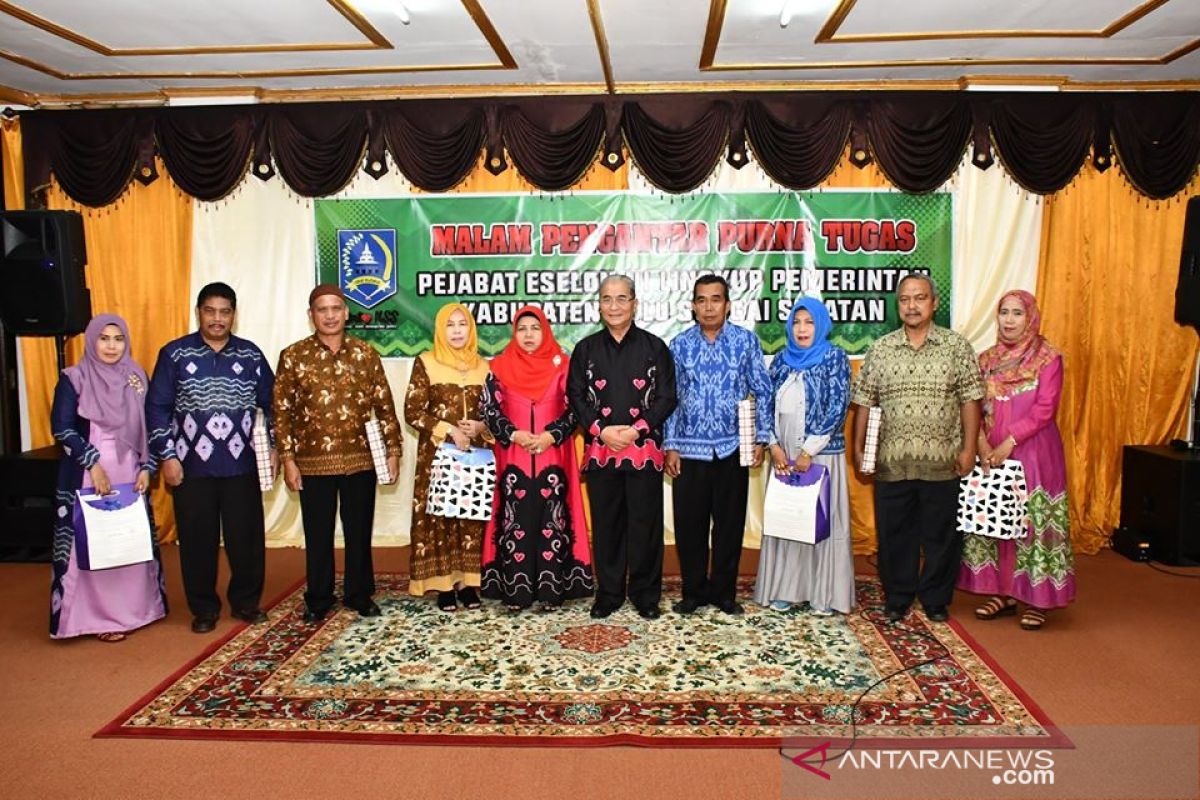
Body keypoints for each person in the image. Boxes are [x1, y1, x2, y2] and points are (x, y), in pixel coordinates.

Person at [851, 274, 984, 623]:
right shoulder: (881, 349)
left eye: (920, 298)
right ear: (898, 306)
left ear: (934, 303)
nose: (912, 305)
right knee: (895, 535)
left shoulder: (956, 347)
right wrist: (858, 446)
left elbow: (971, 400)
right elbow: (865, 401)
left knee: (942, 536)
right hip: (892, 461)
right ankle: (898, 597)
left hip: (943, 460)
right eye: (905, 299)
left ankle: (937, 598)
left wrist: (970, 448)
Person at [147, 282, 275, 634]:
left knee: (245, 539)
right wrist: (168, 457)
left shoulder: (250, 356)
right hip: (191, 468)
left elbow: (275, 405)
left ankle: (246, 603)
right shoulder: (174, 355)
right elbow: (157, 409)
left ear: (234, 314)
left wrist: (276, 448)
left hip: (242, 466)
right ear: (198, 312)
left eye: (225, 311)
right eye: (210, 311)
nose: (218, 319)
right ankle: (203, 608)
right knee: (197, 540)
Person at [273, 284, 401, 623]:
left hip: (360, 459)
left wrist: (394, 451)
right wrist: (287, 459)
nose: (329, 315)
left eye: (335, 309)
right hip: (312, 463)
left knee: (359, 530)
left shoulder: (365, 353)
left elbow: (385, 406)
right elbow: (281, 413)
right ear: (311, 315)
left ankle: (359, 593)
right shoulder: (293, 356)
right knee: (318, 533)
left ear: (346, 313)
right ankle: (318, 597)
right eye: (322, 309)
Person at [958, 290, 1076, 630]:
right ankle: (1004, 592)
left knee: (1033, 521)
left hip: (1034, 453)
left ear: (1031, 318)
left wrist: (1010, 441)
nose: (1009, 320)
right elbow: (973, 406)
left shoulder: (1048, 358)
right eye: (1004, 313)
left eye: (1017, 314)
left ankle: (1038, 598)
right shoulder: (986, 360)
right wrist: (980, 442)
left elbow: (1045, 409)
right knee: (999, 520)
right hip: (992, 452)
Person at [49, 314, 167, 641]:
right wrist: (93, 464)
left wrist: (148, 466)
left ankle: (138, 610)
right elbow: (62, 427)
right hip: (89, 472)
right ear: (91, 340)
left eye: (118, 339)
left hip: (130, 468)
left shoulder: (137, 377)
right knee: (94, 542)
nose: (112, 346)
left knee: (126, 538)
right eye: (104, 338)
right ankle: (97, 618)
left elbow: (151, 425)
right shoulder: (74, 378)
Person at [567, 274, 677, 620]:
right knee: (607, 523)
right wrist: (601, 430)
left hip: (642, 451)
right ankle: (610, 592)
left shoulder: (655, 347)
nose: (614, 306)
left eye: (621, 299)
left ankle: (645, 594)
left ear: (634, 304)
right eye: (606, 299)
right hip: (602, 451)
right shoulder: (585, 350)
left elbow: (666, 397)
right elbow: (576, 397)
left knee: (645, 526)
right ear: (598, 304)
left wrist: (636, 431)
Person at [663, 275, 772, 616]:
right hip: (689, 450)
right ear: (693, 306)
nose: (708, 307)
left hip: (732, 448)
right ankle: (693, 591)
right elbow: (670, 399)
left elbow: (763, 390)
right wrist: (670, 445)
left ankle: (724, 592)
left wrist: (761, 438)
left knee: (729, 524)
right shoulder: (679, 345)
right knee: (689, 524)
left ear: (728, 305)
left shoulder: (745, 342)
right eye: (702, 300)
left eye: (715, 299)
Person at [480, 306, 595, 611]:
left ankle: (551, 590)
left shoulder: (564, 366)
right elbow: (490, 411)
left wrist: (550, 436)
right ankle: (516, 591)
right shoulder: (499, 366)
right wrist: (514, 434)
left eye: (535, 328)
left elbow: (576, 409)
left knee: (552, 519)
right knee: (516, 519)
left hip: (552, 456)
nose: (528, 335)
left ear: (545, 331)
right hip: (513, 455)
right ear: (513, 333)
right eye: (522, 329)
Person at [753, 298, 854, 615]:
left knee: (821, 522)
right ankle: (786, 589)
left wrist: (810, 450)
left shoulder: (834, 358)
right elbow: (764, 404)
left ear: (821, 324)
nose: (802, 329)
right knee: (789, 520)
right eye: (797, 322)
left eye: (809, 322)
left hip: (820, 456)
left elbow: (838, 406)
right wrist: (773, 445)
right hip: (785, 458)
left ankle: (823, 595)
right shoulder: (782, 361)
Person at [404, 303, 491, 612]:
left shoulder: (484, 366)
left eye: (462, 324)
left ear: (471, 329)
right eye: (450, 325)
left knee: (470, 515)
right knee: (441, 517)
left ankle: (468, 584)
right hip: (439, 455)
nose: (456, 330)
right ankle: (443, 585)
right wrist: (449, 429)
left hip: (475, 456)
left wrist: (482, 426)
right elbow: (412, 411)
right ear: (440, 329)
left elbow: (496, 412)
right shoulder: (426, 362)